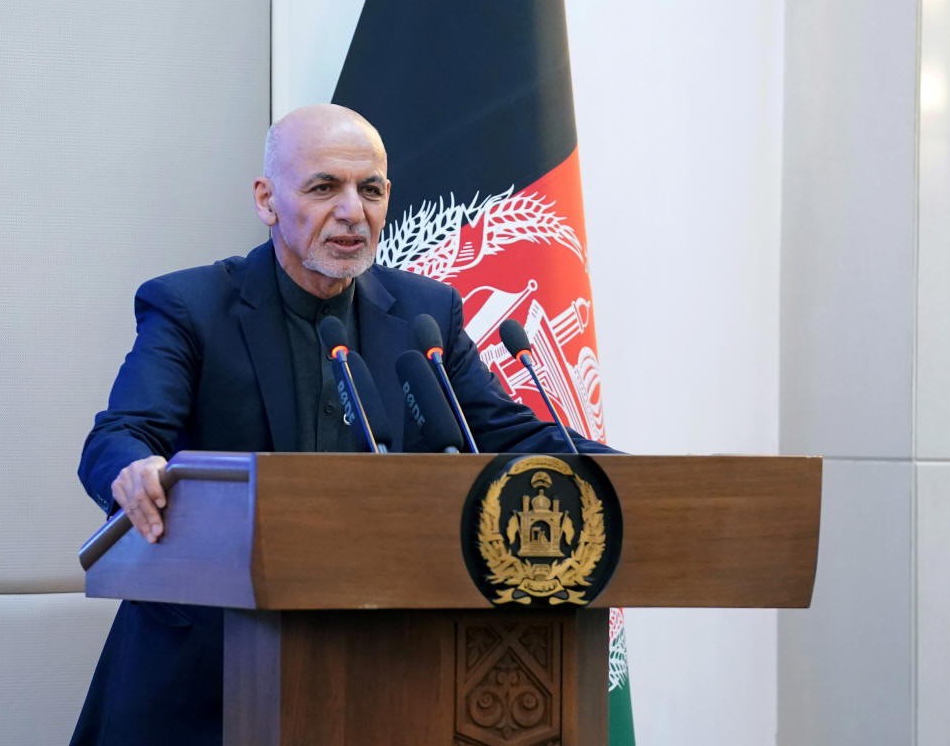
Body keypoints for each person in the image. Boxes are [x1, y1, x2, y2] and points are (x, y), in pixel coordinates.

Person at [70, 104, 612, 745]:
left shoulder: (424, 313)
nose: (353, 211)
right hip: (205, 673)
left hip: (381, 673)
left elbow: (505, 433)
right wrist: (133, 470)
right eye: (325, 187)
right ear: (267, 200)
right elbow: (120, 435)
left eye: (371, 190)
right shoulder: (192, 307)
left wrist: (630, 477)